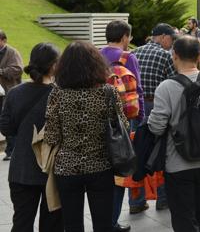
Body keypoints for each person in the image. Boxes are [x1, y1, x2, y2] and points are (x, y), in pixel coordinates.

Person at [44, 41, 129, 232]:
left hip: (66, 168)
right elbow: (122, 125)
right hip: (101, 166)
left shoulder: (57, 94)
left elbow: (51, 136)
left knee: (72, 225)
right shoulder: (108, 92)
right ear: (96, 64)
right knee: (103, 224)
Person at [148, 36, 200, 231]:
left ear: (174, 56)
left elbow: (156, 127)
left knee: (183, 216)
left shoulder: (166, 87)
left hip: (178, 162)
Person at [0, 43, 63, 232]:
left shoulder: (15, 93)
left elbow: (6, 128)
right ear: (53, 66)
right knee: (52, 225)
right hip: (52, 169)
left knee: (21, 223)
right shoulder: (60, 94)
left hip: (21, 169)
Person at [100, 21, 143, 232]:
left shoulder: (96, 55)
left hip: (100, 118)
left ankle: (103, 218)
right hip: (124, 120)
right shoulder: (128, 58)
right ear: (125, 37)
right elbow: (138, 90)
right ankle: (112, 222)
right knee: (120, 172)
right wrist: (140, 117)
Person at [131, 23, 177, 214]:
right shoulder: (166, 56)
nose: (171, 44)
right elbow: (174, 82)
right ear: (164, 37)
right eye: (171, 39)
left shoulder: (135, 53)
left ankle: (136, 201)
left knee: (138, 152)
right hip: (159, 106)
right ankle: (163, 198)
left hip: (137, 107)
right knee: (161, 151)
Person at [0, 30, 24, 161]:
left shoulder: (12, 52)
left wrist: (2, 71)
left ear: (4, 40)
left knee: (9, 120)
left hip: (9, 93)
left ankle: (11, 150)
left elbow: (18, 69)